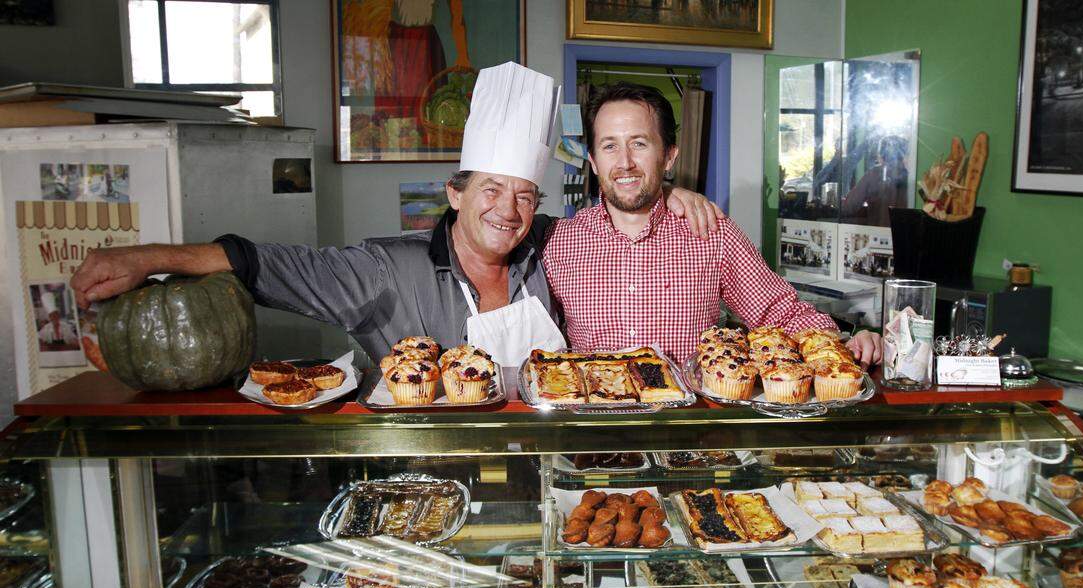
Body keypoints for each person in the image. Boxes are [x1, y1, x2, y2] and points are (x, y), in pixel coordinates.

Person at [69, 64, 721, 367]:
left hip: (542, 476)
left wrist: (675, 195)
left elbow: (625, 218)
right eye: (491, 189)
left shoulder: (548, 247)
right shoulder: (390, 268)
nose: (508, 209)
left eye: (525, 193)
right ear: (455, 193)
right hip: (431, 488)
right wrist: (149, 256)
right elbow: (269, 263)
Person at [541, 82, 883, 366]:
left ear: (669, 156)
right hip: (594, 436)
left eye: (640, 144)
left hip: (687, 436)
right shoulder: (557, 242)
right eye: (609, 146)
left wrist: (846, 342)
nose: (625, 162)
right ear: (594, 162)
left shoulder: (710, 233)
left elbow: (778, 312)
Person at [841, 135, 909, 228]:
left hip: (877, 235)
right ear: (903, 156)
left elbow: (850, 206)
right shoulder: (909, 177)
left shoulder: (874, 175)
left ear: (880, 156)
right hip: (905, 237)